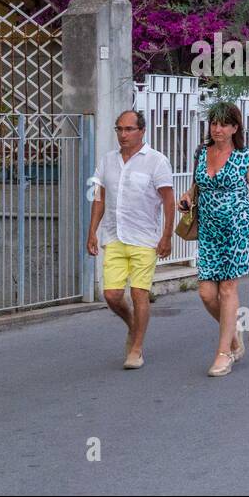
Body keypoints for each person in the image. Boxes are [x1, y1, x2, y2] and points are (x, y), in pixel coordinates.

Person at [178, 101, 249, 377]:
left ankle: (224, 353)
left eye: (224, 124)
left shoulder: (244, 157)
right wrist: (188, 197)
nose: (217, 129)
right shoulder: (202, 153)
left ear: (235, 127)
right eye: (214, 123)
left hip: (236, 231)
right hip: (210, 233)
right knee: (206, 293)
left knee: (227, 290)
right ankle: (234, 337)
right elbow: (199, 186)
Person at [86, 110, 175, 371]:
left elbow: (169, 200)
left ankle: (136, 348)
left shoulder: (156, 161)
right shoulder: (107, 161)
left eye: (128, 129)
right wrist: (92, 231)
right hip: (114, 236)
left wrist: (166, 236)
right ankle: (133, 325)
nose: (123, 135)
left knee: (139, 293)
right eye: (119, 129)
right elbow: (99, 197)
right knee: (112, 295)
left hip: (144, 238)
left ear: (141, 131)